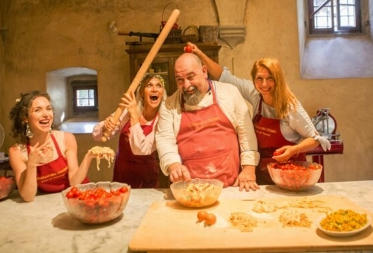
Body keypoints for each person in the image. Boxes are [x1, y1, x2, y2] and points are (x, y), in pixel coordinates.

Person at [188, 42, 331, 185]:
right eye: (259, 78)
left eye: (270, 78)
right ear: (254, 79)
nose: (264, 84)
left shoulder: (290, 107)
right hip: (262, 173)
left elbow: (315, 139)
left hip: (290, 174)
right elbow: (223, 76)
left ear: (278, 79)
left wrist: (294, 149)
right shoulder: (255, 94)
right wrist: (199, 54)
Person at [155, 53, 260, 192]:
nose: (187, 85)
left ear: (204, 71)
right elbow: (165, 141)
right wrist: (174, 166)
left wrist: (248, 169)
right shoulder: (169, 105)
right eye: (180, 80)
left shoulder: (229, 93)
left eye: (191, 77)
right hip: (190, 189)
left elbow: (246, 134)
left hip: (231, 186)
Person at [8, 90, 93, 202]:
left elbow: (74, 182)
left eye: (48, 108)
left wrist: (88, 157)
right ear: (25, 117)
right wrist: (32, 164)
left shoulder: (67, 139)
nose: (46, 115)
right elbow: (28, 196)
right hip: (51, 203)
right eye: (37, 110)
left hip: (80, 197)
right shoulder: (17, 152)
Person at [92, 74, 167, 188]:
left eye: (159, 86)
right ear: (141, 92)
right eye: (149, 85)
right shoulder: (127, 112)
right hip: (122, 173)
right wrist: (106, 126)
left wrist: (134, 117)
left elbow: (141, 149)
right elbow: (98, 136)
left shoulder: (162, 120)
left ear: (162, 93)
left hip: (146, 177)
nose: (154, 89)